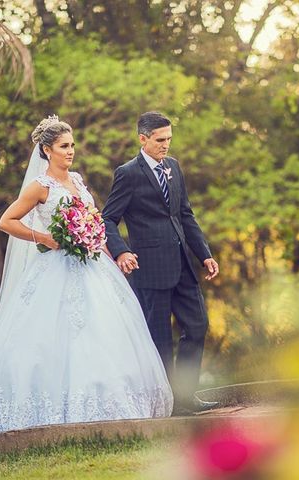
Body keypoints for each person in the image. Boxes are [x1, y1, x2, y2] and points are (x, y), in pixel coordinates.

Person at [0, 116, 173, 438]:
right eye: (64, 146)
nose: (71, 151)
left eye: (72, 145)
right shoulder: (39, 187)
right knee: (57, 339)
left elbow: (94, 222)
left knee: (106, 333)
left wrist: (111, 253)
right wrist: (45, 238)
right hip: (55, 270)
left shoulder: (77, 180)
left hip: (93, 266)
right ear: (47, 150)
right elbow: (7, 221)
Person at [102, 111, 219, 415]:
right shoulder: (127, 173)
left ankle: (186, 396)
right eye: (160, 140)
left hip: (183, 265)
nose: (166, 145)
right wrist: (121, 252)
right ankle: (166, 403)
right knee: (160, 339)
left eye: (169, 139)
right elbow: (108, 219)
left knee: (197, 325)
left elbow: (185, 215)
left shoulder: (174, 168)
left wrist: (204, 253)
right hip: (149, 269)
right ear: (143, 139)